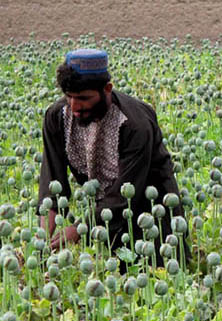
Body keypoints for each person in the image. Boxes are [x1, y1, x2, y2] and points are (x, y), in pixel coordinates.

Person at [38, 48, 186, 262]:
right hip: (103, 214)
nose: (74, 107)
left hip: (152, 209)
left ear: (107, 89)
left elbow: (127, 192)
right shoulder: (57, 117)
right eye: (68, 97)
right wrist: (43, 237)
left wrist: (80, 230)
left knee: (155, 271)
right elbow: (52, 181)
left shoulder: (134, 125)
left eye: (83, 98)